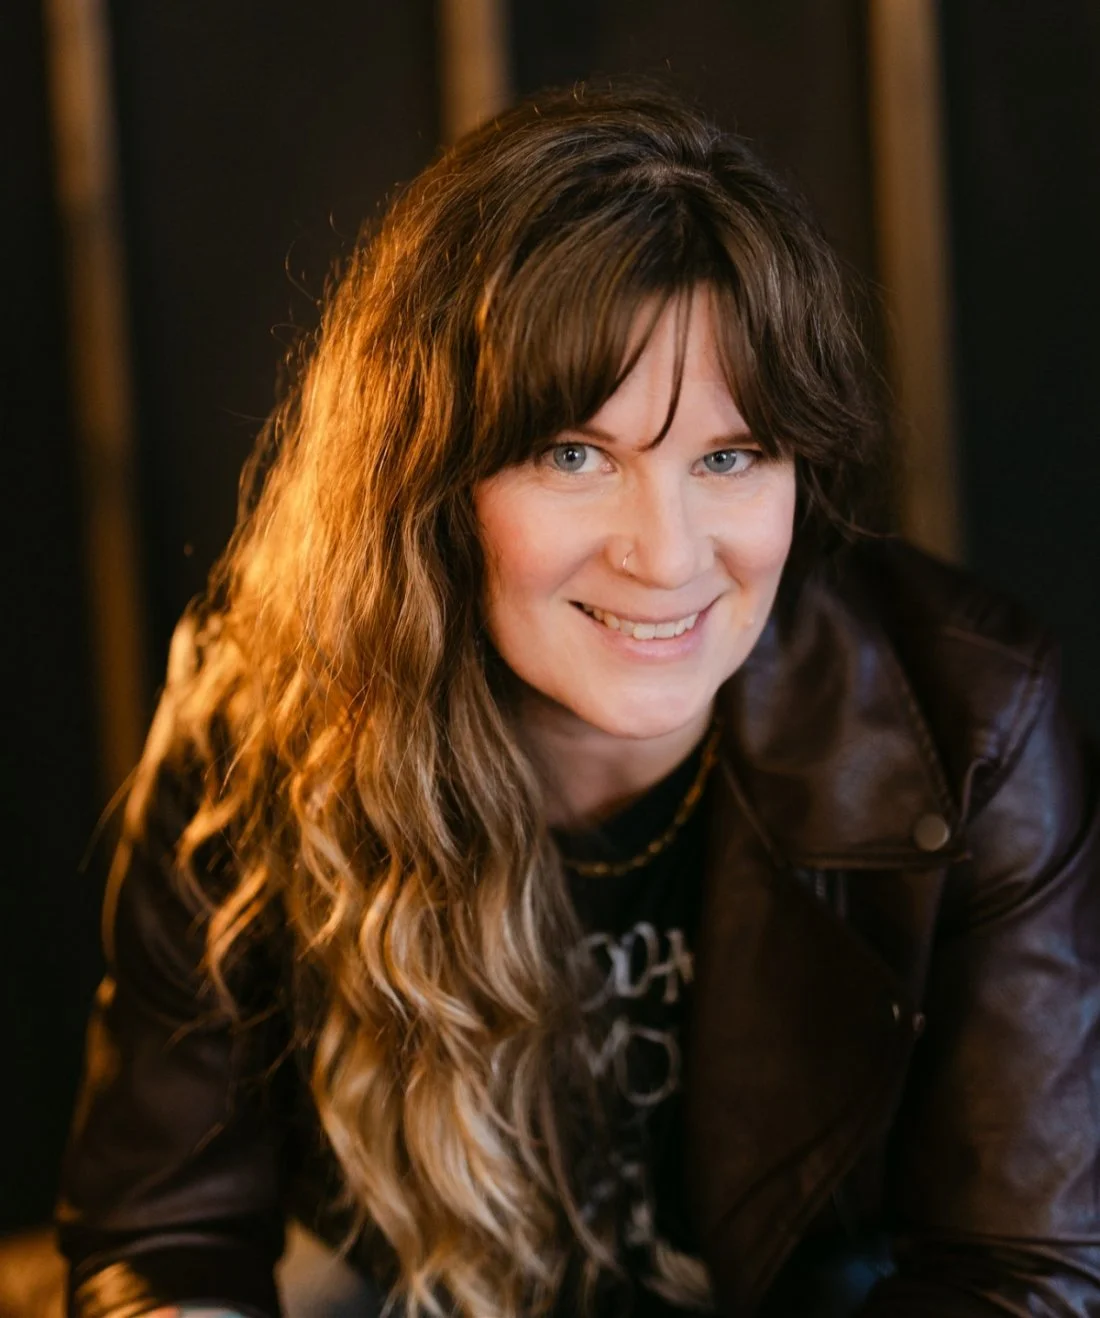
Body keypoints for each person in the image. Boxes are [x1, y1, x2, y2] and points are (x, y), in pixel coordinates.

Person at [57, 84, 1100, 1318]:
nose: (665, 556)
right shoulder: (254, 716)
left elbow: (1018, 1273)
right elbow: (162, 1237)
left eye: (728, 456)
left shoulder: (966, 715)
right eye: (572, 454)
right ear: (429, 476)